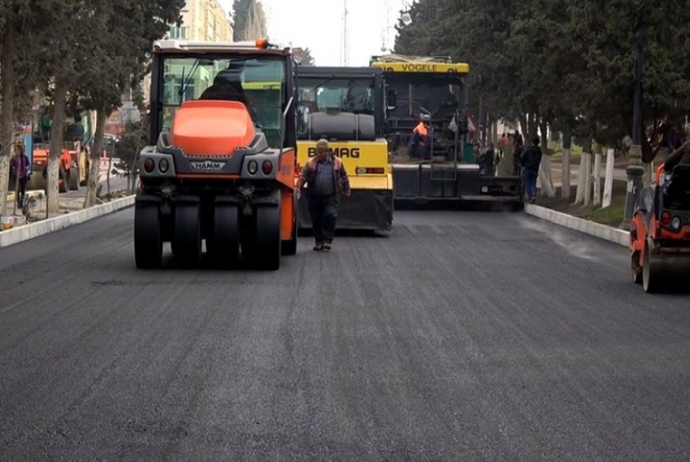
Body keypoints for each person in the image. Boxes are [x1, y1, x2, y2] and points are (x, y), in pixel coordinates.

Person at [296, 139, 351, 251]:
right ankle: (318, 241)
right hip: (314, 196)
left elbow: (344, 177)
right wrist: (298, 188)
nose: (319, 154)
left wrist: (347, 190)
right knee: (316, 219)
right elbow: (303, 176)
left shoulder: (337, 162)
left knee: (330, 215)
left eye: (322, 152)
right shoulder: (311, 163)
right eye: (318, 152)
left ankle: (327, 240)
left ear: (327, 151)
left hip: (331, 195)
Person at [520, 136, 543, 203]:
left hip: (528, 168)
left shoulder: (528, 149)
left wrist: (523, 164)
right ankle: (533, 194)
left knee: (527, 183)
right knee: (533, 182)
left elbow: (522, 157)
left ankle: (530, 196)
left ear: (532, 142)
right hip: (535, 169)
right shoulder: (539, 151)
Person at [10, 144, 30, 209]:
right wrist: (13, 171)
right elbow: (11, 166)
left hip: (24, 175)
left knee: (23, 190)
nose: (17, 151)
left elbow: (28, 165)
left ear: (21, 150)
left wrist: (27, 170)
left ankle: (22, 202)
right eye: (16, 150)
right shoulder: (13, 158)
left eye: (19, 150)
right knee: (17, 190)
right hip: (16, 176)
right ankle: (19, 203)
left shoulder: (25, 157)